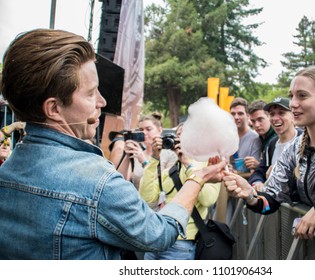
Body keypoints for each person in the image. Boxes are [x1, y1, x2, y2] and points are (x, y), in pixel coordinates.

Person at [0, 28, 227, 259]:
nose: (102, 101)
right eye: (90, 94)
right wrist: (198, 178)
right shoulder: (97, 182)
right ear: (54, 108)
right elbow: (158, 234)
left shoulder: (6, 172)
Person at [223, 66, 315, 240]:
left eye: (302, 95)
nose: (293, 104)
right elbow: (270, 202)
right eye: (291, 96)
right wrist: (251, 196)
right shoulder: (294, 148)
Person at [139, 123, 221, 259]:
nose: (180, 139)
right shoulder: (172, 169)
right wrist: (154, 159)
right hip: (156, 239)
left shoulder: (209, 164)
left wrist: (187, 163)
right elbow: (148, 198)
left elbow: (208, 199)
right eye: (178, 135)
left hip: (181, 243)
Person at [109, 112, 177, 189]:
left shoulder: (170, 154)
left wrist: (143, 161)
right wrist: (127, 155)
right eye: (141, 129)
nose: (144, 132)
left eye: (148, 129)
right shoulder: (137, 153)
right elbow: (121, 181)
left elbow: (166, 182)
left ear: (160, 130)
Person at [248, 97, 302, 191]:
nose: (275, 118)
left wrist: (278, 174)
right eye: (272, 114)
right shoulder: (272, 143)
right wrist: (257, 182)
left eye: (281, 113)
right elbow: (260, 171)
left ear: (293, 116)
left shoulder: (303, 139)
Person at [229, 97, 261, 174]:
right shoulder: (228, 137)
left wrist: (236, 173)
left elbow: (254, 172)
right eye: (233, 114)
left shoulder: (255, 138)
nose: (236, 117)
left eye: (240, 113)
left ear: (248, 116)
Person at [247, 99, 277, 171]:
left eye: (260, 119)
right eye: (253, 121)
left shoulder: (278, 138)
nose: (256, 125)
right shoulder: (258, 138)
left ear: (269, 117)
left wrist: (258, 165)